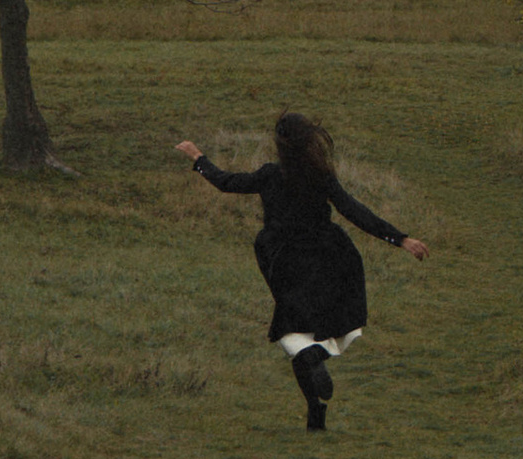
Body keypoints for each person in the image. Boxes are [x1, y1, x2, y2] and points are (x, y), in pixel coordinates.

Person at [176, 112, 429, 428]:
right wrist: (399, 238)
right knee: (328, 326)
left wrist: (198, 157)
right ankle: (316, 400)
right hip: (329, 255)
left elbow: (227, 182)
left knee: (294, 334)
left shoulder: (270, 175)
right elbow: (353, 210)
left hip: (285, 260)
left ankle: (314, 401)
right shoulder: (321, 175)